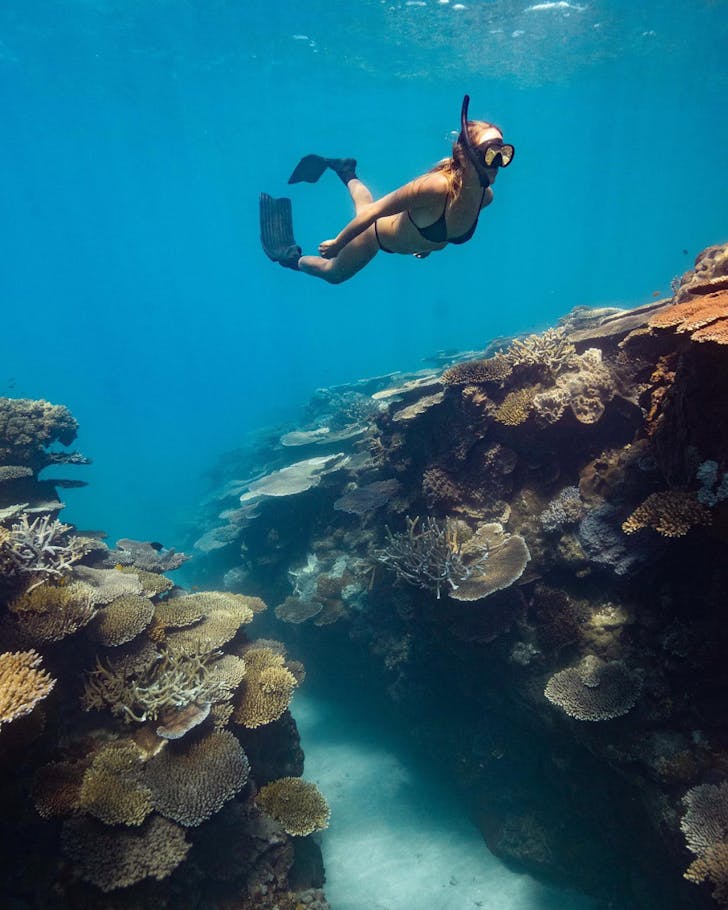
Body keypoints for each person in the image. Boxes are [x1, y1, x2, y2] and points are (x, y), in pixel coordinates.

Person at [259, 95, 514, 284]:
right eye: (490, 154)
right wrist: (338, 243)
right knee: (333, 273)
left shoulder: (484, 197)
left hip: (397, 232)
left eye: (503, 154)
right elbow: (373, 213)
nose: (498, 164)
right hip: (374, 236)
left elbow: (447, 225)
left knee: (363, 202)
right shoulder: (435, 187)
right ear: (467, 155)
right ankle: (292, 257)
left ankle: (346, 170)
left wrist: (428, 244)